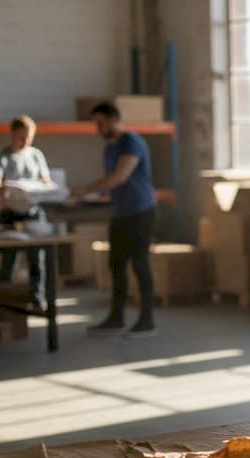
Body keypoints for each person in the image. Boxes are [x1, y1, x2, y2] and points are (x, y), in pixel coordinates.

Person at [69, 101, 158, 337]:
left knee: (140, 263)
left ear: (114, 119)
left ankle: (147, 321)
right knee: (116, 264)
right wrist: (90, 195)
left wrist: (85, 190)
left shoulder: (131, 142)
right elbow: (108, 179)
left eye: (100, 124)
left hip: (141, 211)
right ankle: (116, 317)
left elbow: (120, 176)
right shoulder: (109, 148)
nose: (97, 129)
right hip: (120, 212)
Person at [0, 115, 51, 310]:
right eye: (21, 137)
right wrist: (3, 188)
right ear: (13, 134)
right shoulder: (3, 157)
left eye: (29, 137)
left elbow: (46, 179)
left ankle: (37, 297)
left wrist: (44, 186)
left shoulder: (36, 155)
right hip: (11, 212)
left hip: (33, 211)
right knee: (9, 257)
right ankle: (4, 299)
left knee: (37, 258)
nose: (25, 141)